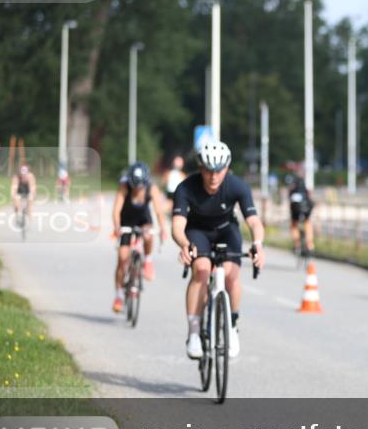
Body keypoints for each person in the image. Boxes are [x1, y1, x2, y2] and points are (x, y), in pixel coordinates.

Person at [173, 141, 265, 359]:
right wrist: (184, 244)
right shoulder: (185, 188)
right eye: (208, 170)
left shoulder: (237, 186)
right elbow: (177, 226)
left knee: (232, 275)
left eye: (218, 171)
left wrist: (258, 245)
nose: (213, 176)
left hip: (226, 230)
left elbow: (253, 222)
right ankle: (194, 332)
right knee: (202, 270)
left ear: (227, 168)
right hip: (197, 231)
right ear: (200, 168)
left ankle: (232, 327)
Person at [111, 162, 169, 313]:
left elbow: (159, 212)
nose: (137, 189)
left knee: (148, 235)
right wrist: (117, 227)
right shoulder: (124, 186)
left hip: (143, 219)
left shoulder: (152, 188)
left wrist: (163, 229)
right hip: (126, 220)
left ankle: (147, 260)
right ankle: (118, 296)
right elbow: (116, 209)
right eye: (134, 186)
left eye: (140, 186)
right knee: (122, 258)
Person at [286, 173, 315, 255]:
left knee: (293, 224)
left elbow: (290, 203)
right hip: (306, 208)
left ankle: (297, 245)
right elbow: (310, 200)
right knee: (308, 222)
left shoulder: (292, 189)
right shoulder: (305, 189)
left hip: (296, 209)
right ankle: (310, 244)